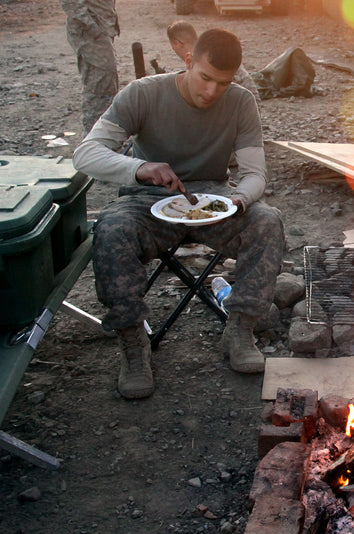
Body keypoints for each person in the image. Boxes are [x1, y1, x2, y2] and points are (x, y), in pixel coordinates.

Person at [73, 28, 284, 400]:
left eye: (223, 83)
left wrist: (238, 201)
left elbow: (255, 174)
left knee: (267, 221)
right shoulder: (144, 93)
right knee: (111, 228)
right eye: (204, 77)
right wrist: (140, 169)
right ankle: (133, 342)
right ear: (188, 61)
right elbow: (87, 153)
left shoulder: (240, 102)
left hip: (212, 198)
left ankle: (239, 328)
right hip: (147, 196)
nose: (211, 92)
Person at [60, 0, 119, 132]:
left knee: (107, 84)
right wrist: (92, 27)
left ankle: (104, 137)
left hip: (100, 29)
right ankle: (94, 140)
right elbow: (71, 3)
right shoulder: (92, 30)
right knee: (99, 85)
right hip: (90, 33)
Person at [167, 21, 261, 103]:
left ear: (177, 43)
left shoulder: (211, 57)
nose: (211, 92)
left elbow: (247, 86)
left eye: (173, 47)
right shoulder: (212, 53)